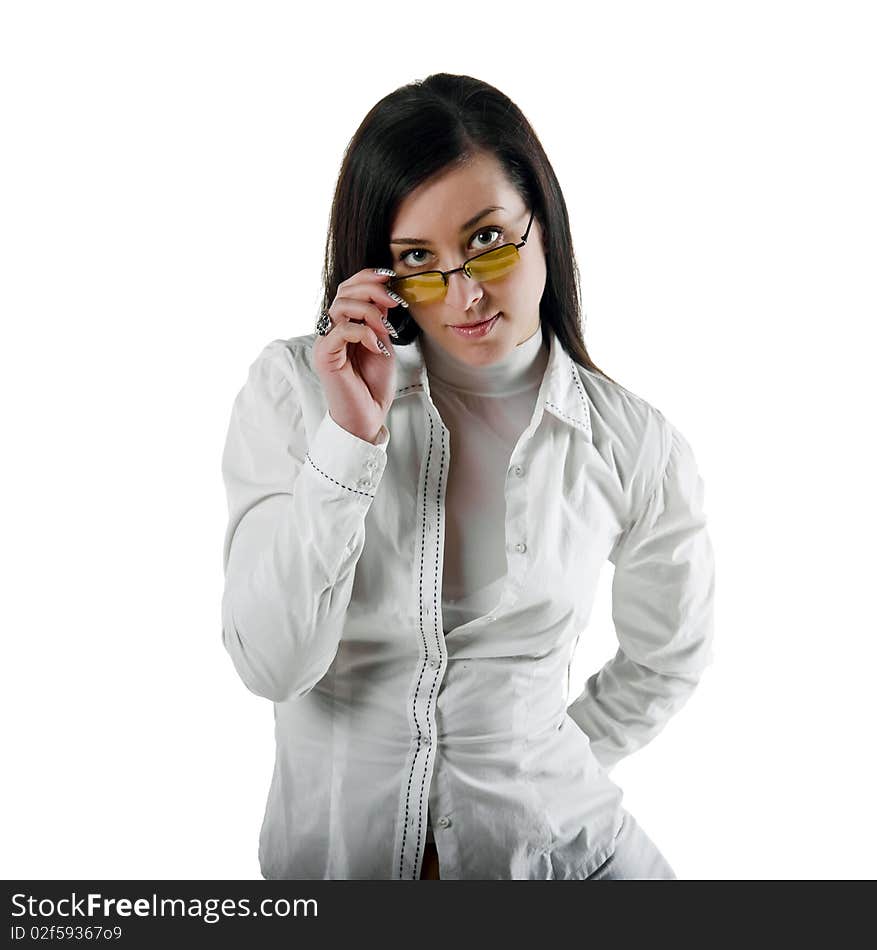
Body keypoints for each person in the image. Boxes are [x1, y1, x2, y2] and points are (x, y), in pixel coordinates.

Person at [220, 72, 715, 880]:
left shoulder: (635, 444)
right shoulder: (293, 395)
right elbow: (271, 664)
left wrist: (536, 772)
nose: (465, 293)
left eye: (487, 238)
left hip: (571, 865)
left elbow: (669, 655)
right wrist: (350, 439)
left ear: (542, 223)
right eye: (419, 258)